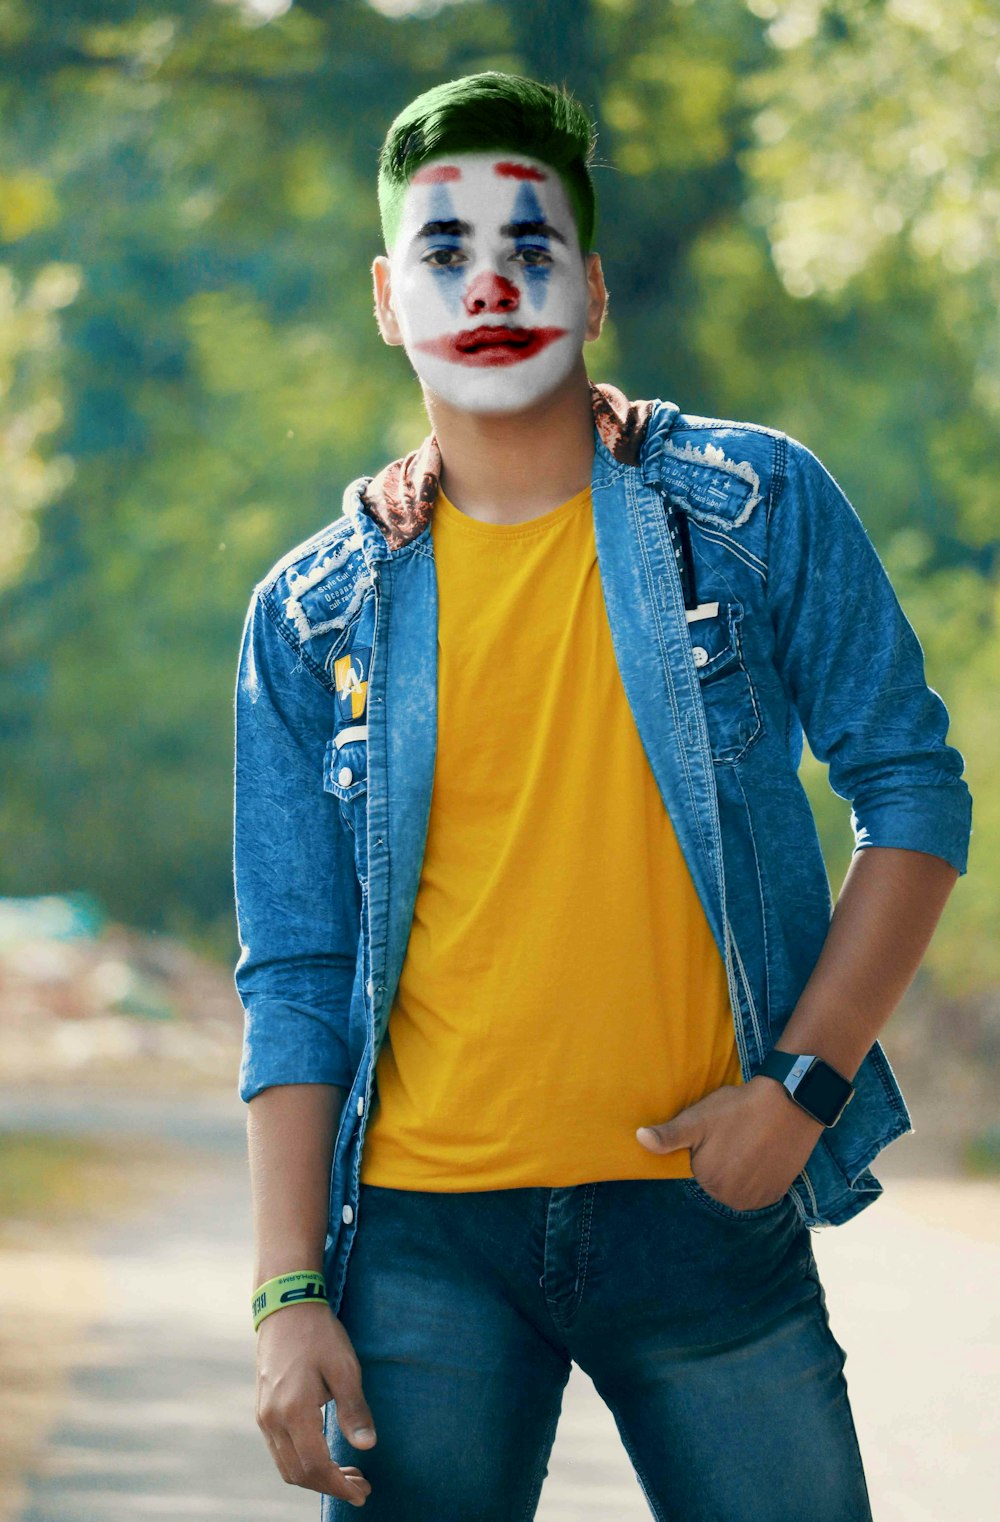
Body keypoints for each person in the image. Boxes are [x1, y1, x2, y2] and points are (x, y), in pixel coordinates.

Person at [233, 71, 973, 1521]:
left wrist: (802, 1093)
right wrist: (285, 1290)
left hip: (708, 1213)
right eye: (445, 252)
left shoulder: (752, 512)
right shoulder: (312, 614)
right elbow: (299, 971)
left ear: (595, 288)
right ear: (389, 298)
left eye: (533, 244)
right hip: (423, 1249)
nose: (490, 280)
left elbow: (914, 795)